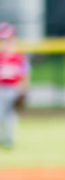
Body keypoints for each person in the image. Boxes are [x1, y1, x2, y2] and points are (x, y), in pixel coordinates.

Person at [0, 22, 29, 150]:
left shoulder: (19, 57)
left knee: (11, 117)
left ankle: (8, 141)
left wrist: (24, 90)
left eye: (7, 39)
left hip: (13, 89)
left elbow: (24, 75)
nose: (5, 42)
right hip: (0, 89)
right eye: (3, 39)